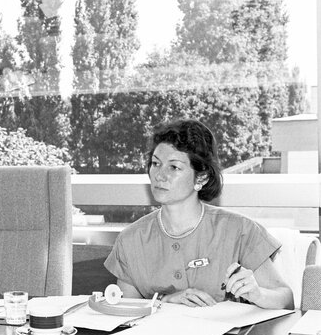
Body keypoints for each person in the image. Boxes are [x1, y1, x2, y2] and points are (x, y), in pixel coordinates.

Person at [104, 119, 293, 309]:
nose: (159, 175)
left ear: (201, 177)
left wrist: (258, 294)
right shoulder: (130, 240)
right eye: (155, 163)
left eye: (174, 167)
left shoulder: (241, 231)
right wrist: (163, 301)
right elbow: (125, 312)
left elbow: (286, 299)